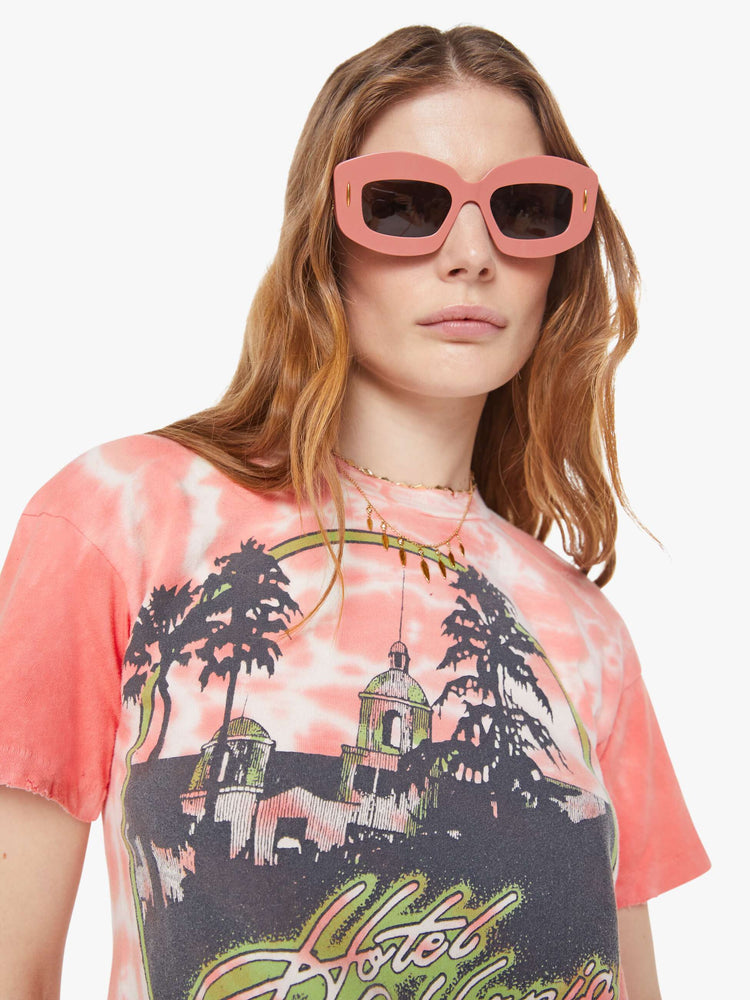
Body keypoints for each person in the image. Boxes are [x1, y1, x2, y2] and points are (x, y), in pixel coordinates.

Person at [0, 23, 709, 1000]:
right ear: (323, 238)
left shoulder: (587, 632)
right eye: (406, 205)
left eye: (525, 209)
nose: (472, 255)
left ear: (562, 254)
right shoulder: (121, 516)